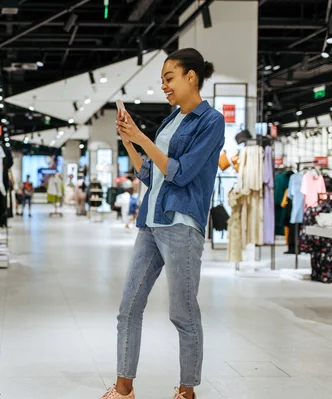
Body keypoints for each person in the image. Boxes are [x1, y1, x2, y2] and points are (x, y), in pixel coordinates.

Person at [101, 48, 225, 399]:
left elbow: (181, 174)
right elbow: (150, 173)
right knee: (128, 308)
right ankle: (124, 388)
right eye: (162, 81)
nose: (165, 86)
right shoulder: (171, 121)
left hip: (182, 224)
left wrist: (141, 138)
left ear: (191, 77)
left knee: (183, 313)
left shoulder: (210, 121)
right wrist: (130, 142)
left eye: (169, 78)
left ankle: (187, 390)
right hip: (150, 222)